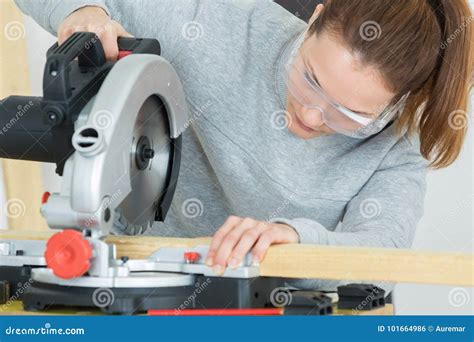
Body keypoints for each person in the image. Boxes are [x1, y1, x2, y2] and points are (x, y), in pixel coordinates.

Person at [15, 0, 473, 293]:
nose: (312, 116)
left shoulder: (396, 144)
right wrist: (82, 12)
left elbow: (382, 255)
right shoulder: (214, 23)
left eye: (351, 115)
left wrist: (294, 239)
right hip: (135, 293)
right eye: (310, 78)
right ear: (315, 16)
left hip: (274, 316)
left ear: (398, 102)